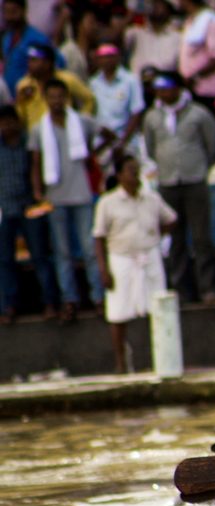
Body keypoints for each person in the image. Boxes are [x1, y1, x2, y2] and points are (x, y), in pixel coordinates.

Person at [28, 79, 113, 324]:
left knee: (89, 249)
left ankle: (98, 297)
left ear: (67, 98)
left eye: (60, 96)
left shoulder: (82, 121)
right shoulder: (38, 129)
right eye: (52, 96)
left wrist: (92, 153)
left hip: (82, 194)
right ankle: (69, 301)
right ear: (46, 99)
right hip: (55, 197)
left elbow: (109, 135)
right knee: (62, 252)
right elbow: (36, 162)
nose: (56, 101)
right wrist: (38, 191)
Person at [93, 155, 178, 374]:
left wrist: (155, 236)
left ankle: (162, 360)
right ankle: (121, 363)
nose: (135, 173)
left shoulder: (152, 199)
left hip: (149, 257)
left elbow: (171, 219)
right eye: (130, 169)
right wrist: (103, 269)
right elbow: (99, 237)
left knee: (158, 309)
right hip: (120, 258)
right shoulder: (107, 202)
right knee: (118, 312)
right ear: (119, 174)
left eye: (137, 169)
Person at [144, 71, 215, 304]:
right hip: (168, 183)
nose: (161, 93)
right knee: (175, 240)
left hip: (194, 180)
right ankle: (179, 291)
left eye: (166, 88)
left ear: (177, 88)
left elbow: (211, 145)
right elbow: (151, 148)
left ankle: (208, 289)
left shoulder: (198, 113)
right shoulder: (152, 117)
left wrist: (196, 166)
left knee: (201, 237)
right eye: (158, 89)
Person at [0, 104, 58, 323]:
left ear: (17, 122)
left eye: (9, 122)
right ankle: (9, 306)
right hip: (4, 209)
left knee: (40, 256)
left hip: (30, 208)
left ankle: (50, 302)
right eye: (2, 123)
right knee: (4, 259)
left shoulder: (29, 142)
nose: (6, 127)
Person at [15, 43, 94, 128]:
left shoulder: (67, 79)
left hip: (64, 130)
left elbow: (89, 99)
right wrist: (20, 101)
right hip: (36, 133)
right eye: (29, 61)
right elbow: (20, 119)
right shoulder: (23, 84)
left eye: (34, 61)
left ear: (47, 63)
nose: (29, 64)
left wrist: (80, 122)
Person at [89, 44, 146, 156]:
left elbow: (136, 113)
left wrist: (122, 143)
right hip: (101, 144)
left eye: (111, 56)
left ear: (118, 58)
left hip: (127, 143)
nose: (108, 60)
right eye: (104, 57)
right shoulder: (93, 83)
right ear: (98, 60)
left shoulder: (131, 80)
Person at [1, 0, 64, 95]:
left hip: (30, 95)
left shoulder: (35, 39)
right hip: (9, 96)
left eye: (14, 12)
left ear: (23, 10)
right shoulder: (7, 38)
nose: (9, 17)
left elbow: (58, 61)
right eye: (7, 12)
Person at [178, 0, 215, 109]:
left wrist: (195, 76)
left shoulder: (210, 21)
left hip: (207, 90)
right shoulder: (191, 20)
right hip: (192, 88)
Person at [124, 0, 182, 79]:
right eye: (153, 3)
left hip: (165, 83)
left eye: (160, 4)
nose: (155, 6)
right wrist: (134, 12)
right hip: (138, 82)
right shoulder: (135, 32)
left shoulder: (178, 37)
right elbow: (112, 40)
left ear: (169, 11)